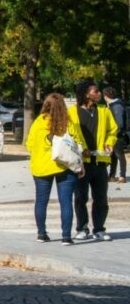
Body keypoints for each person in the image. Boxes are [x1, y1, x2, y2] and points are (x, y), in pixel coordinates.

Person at [24, 93, 80, 244]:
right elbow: (78, 143)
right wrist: (81, 165)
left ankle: (41, 234)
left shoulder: (38, 122)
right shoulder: (68, 122)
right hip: (64, 166)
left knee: (41, 202)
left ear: (45, 105)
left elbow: (29, 144)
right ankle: (66, 237)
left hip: (41, 167)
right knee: (66, 202)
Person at [68, 81, 116, 241]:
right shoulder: (72, 112)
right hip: (81, 163)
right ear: (86, 94)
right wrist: (81, 148)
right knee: (81, 197)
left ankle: (99, 229)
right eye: (96, 91)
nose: (99, 94)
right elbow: (70, 135)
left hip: (100, 162)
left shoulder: (104, 111)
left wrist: (110, 142)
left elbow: (113, 130)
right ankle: (82, 229)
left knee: (101, 198)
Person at [105, 85, 127, 183]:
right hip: (114, 135)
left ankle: (122, 176)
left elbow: (119, 123)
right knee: (113, 156)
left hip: (117, 135)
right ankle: (112, 176)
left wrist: (114, 134)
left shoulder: (117, 106)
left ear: (106, 96)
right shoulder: (113, 106)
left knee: (119, 155)